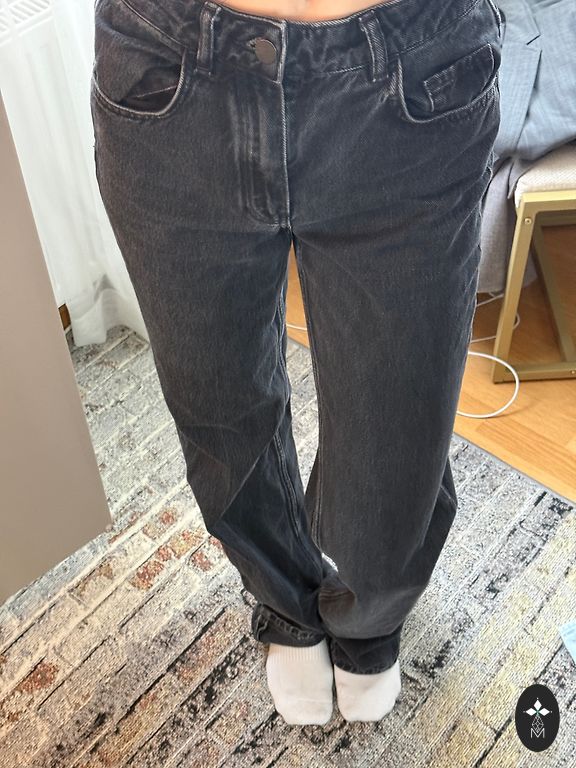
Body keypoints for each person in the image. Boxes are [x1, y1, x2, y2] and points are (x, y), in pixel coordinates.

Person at [90, 0, 502, 726]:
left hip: (410, 74)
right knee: (218, 405)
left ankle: (368, 616)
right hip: (169, 76)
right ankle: (284, 600)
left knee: (398, 421)